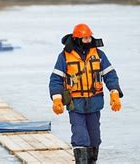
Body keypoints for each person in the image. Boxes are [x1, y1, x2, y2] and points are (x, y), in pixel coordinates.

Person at [49, 23, 123, 164]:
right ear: (77, 39)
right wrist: (57, 98)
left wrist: (114, 92)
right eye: (85, 38)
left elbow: (110, 75)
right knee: (80, 136)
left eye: (90, 38)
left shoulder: (99, 55)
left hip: (94, 103)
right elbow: (56, 79)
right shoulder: (64, 57)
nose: (89, 41)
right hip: (75, 104)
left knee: (95, 138)